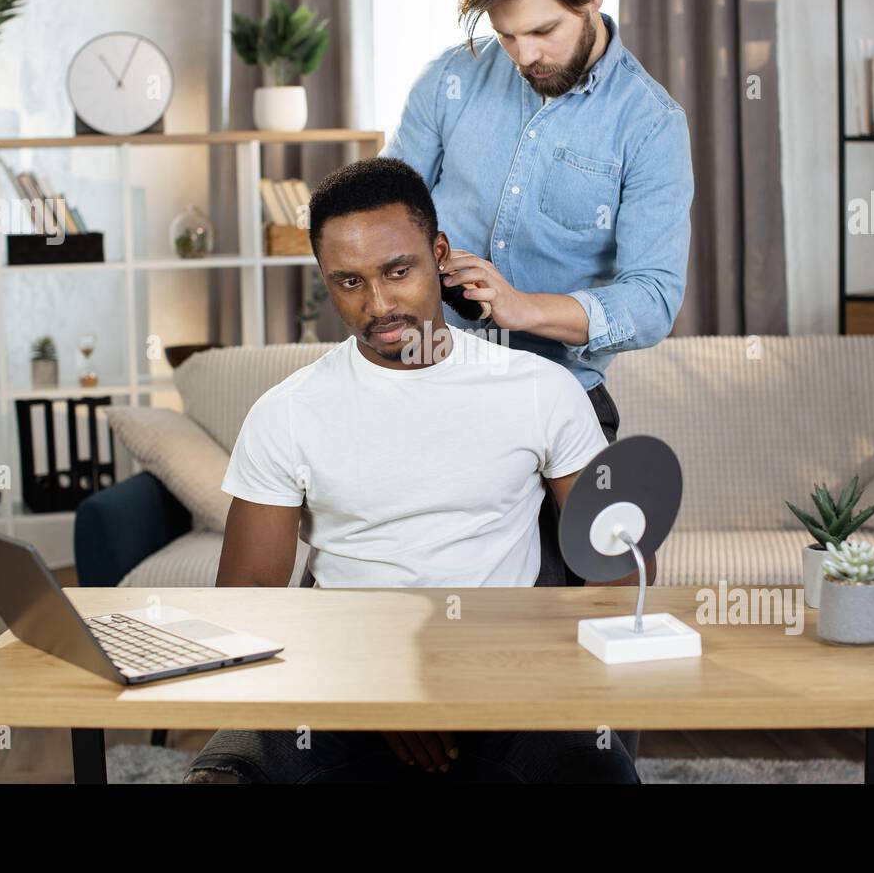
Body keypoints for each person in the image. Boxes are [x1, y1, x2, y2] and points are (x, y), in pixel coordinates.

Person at [183, 157, 649, 784]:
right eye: (348, 282)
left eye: (397, 271)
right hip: (341, 689)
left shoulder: (538, 388)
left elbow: (616, 578)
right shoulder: (287, 414)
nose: (379, 304)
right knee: (224, 777)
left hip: (504, 687)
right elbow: (248, 607)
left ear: (439, 253)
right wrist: (375, 691)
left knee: (597, 776)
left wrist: (509, 679)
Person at [380, 0, 694, 590]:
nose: (524, 56)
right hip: (431, 384)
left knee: (571, 619)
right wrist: (428, 260)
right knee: (418, 604)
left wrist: (525, 309)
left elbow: (654, 299)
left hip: (566, 407)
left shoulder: (650, 125)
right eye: (506, 34)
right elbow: (384, 214)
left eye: (543, 31)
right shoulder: (448, 81)